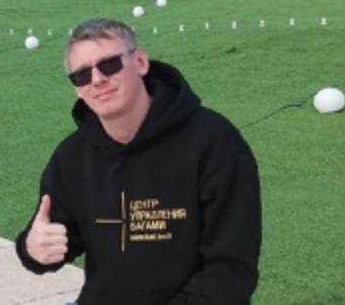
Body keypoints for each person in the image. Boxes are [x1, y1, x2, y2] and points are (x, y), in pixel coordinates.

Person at [16, 18, 262, 305]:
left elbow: (231, 272)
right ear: (77, 89)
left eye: (109, 64)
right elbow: (50, 243)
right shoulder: (71, 156)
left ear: (141, 62)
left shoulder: (214, 142)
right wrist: (32, 249)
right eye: (82, 75)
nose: (97, 79)